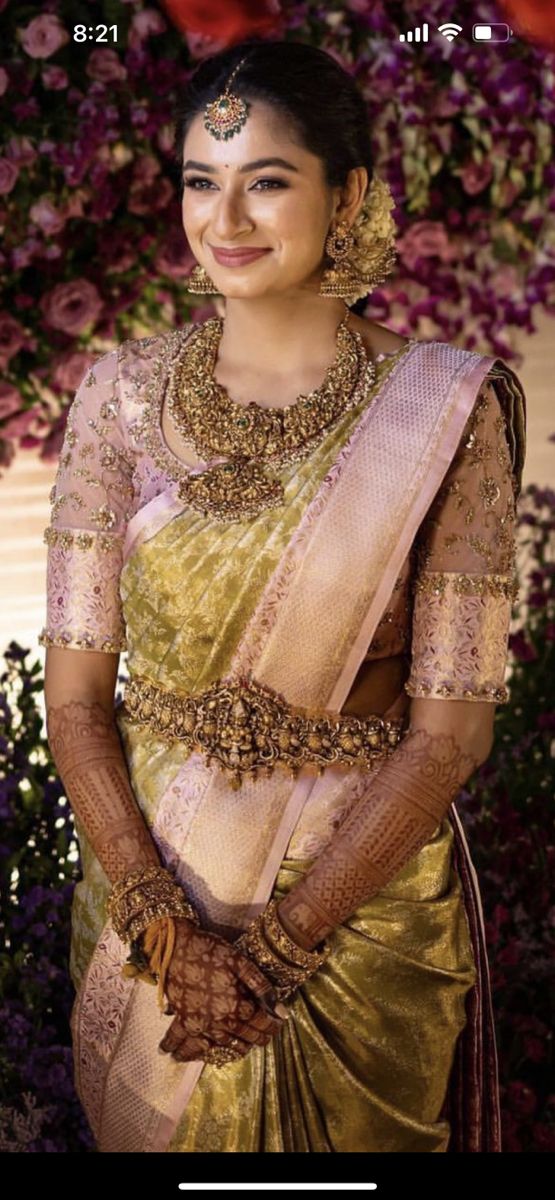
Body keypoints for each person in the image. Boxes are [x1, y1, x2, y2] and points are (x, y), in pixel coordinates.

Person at [40, 39, 526, 1153]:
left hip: (362, 920)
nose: (227, 218)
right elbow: (72, 703)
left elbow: (450, 733)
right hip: (149, 879)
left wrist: (277, 950)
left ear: (347, 194)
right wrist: (163, 925)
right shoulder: (118, 398)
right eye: (201, 183)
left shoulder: (446, 414)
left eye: (266, 180)